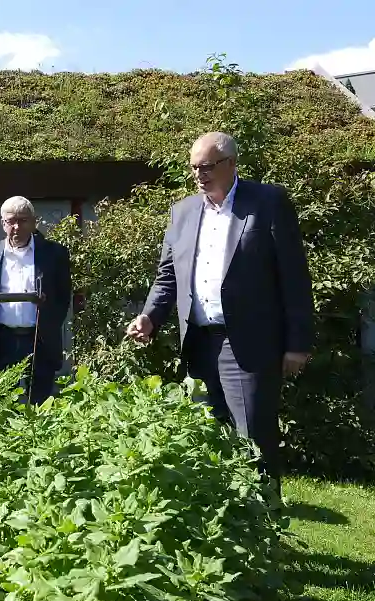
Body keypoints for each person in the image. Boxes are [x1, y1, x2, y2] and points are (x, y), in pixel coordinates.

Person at [126, 131, 314, 487]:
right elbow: (168, 275)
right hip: (197, 341)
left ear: (231, 164)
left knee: (252, 440)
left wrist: (297, 343)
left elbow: (294, 276)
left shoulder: (267, 202)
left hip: (248, 343)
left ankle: (264, 524)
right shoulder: (182, 212)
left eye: (208, 166)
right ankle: (222, 523)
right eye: (194, 167)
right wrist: (150, 317)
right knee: (206, 437)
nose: (199, 174)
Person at [0, 195, 72, 404]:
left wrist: (49, 322)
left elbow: (63, 296)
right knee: (4, 400)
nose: (17, 227)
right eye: (11, 221)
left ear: (33, 222)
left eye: (23, 220)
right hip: (3, 338)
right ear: (3, 224)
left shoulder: (54, 254)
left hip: (39, 337)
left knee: (40, 400)